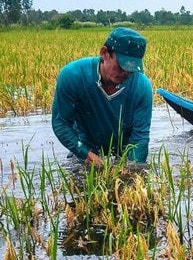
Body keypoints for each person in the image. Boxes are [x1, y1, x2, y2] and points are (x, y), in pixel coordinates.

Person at [51, 27, 153, 165]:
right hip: (85, 149)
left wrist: (132, 169)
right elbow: (61, 123)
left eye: (132, 69)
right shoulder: (73, 76)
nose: (127, 73)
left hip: (122, 152)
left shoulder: (141, 86)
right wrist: (85, 153)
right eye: (122, 66)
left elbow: (140, 137)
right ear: (104, 53)